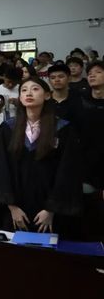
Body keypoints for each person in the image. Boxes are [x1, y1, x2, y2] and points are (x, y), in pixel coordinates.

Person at [0, 77, 82, 235]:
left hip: (49, 210)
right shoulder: (8, 129)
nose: (29, 93)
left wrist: (51, 210)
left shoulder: (63, 129)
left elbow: (67, 171)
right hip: (17, 209)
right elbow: (1, 168)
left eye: (35, 89)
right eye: (24, 90)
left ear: (47, 95)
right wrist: (12, 207)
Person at [78, 61, 104, 240]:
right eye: (90, 73)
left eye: (98, 72)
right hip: (86, 165)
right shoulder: (81, 101)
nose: (92, 75)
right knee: (88, 208)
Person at [0, 66, 22, 135]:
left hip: (19, 128)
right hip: (1, 128)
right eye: (9, 81)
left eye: (14, 83)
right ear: (4, 77)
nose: (10, 85)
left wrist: (19, 104)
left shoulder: (22, 89)